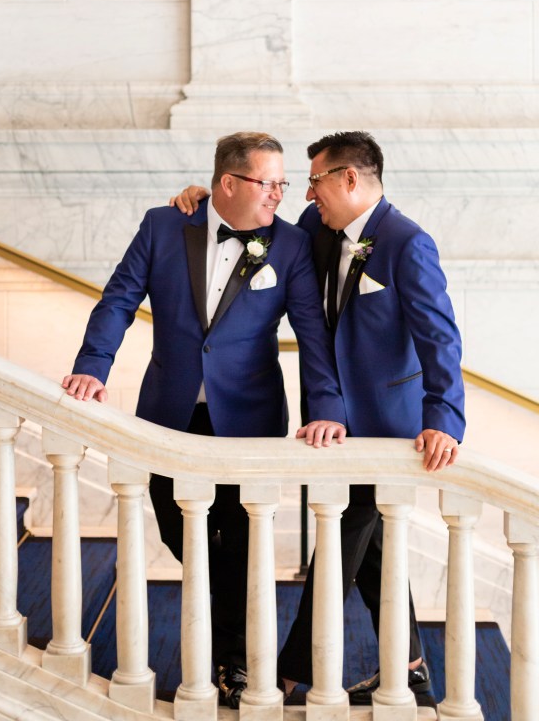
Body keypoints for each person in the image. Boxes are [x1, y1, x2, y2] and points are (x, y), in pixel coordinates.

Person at [172, 130, 466, 718]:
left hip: (388, 430)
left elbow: (441, 338)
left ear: (350, 179)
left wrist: (446, 420)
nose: (307, 193)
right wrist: (204, 200)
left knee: (341, 541)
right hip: (330, 425)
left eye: (316, 180)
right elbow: (255, 221)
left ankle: (288, 673)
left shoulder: (408, 244)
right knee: (373, 547)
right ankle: (413, 673)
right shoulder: (317, 229)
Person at [62, 131, 347, 709]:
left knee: (241, 540)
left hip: (249, 419)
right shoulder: (164, 225)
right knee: (177, 526)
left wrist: (326, 411)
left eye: (283, 184)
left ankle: (235, 664)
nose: (278, 194)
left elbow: (312, 337)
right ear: (227, 183)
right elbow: (118, 299)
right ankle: (230, 640)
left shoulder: (289, 245)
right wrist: (92, 366)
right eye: (268, 183)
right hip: (167, 415)